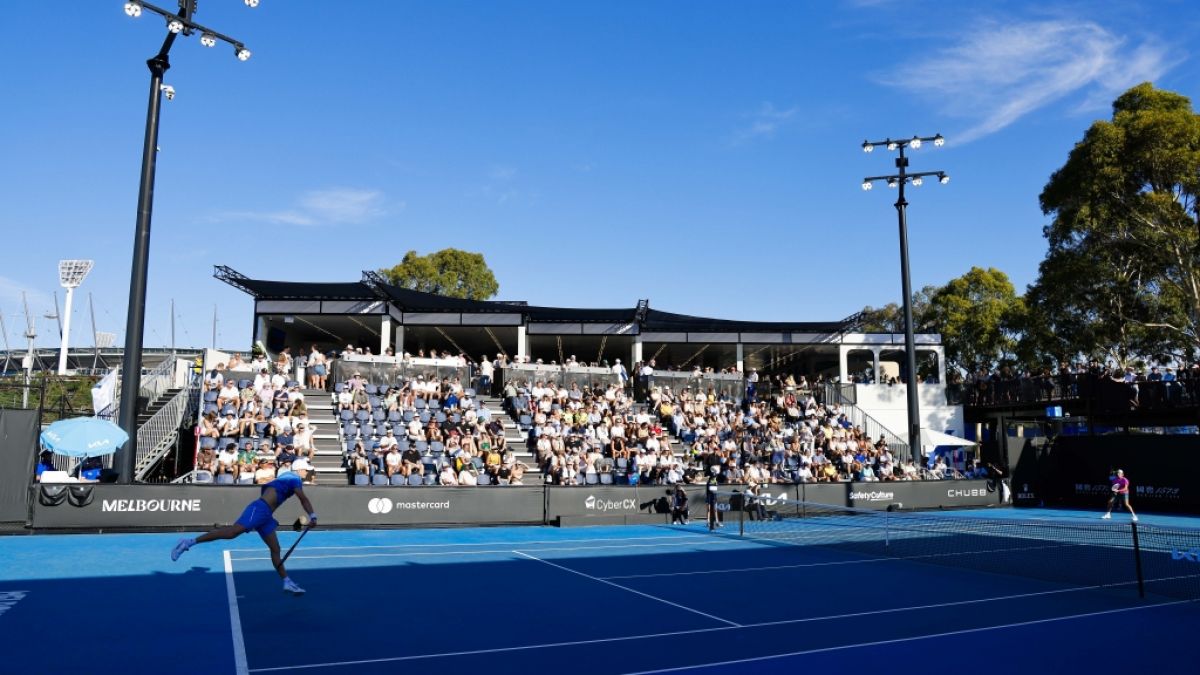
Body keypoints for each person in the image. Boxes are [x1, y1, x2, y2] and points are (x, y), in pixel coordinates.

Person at [171, 457, 318, 595]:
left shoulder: (287, 477)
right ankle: (188, 542)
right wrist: (312, 516)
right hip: (260, 509)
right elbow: (303, 499)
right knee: (232, 533)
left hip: (266, 516)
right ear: (299, 470)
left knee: (275, 549)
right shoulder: (294, 478)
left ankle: (287, 582)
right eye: (306, 469)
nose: (307, 472)